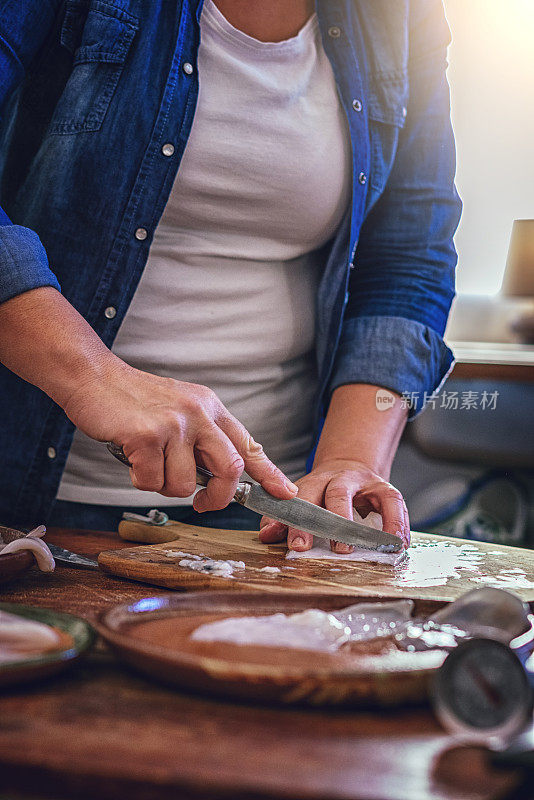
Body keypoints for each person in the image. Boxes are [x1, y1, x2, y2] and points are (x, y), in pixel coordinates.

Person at [0, 0, 461, 552]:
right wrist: (94, 375)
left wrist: (349, 461)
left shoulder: (403, 14)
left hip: (274, 518)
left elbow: (409, 252)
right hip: (31, 504)